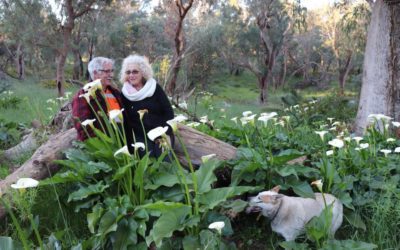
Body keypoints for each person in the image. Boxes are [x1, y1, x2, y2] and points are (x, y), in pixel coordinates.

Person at [120, 54, 174, 157]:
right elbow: (126, 122)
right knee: (148, 160)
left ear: (143, 72)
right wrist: (129, 145)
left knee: (165, 160)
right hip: (140, 136)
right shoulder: (125, 94)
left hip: (161, 132)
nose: (131, 75)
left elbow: (168, 112)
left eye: (135, 71)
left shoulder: (154, 88)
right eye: (128, 72)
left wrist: (166, 132)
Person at [72, 57, 123, 141]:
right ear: (95, 73)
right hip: (104, 146)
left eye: (112, 71)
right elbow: (83, 128)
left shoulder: (115, 92)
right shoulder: (82, 97)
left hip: (121, 140)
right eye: (107, 71)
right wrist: (103, 146)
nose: (111, 75)